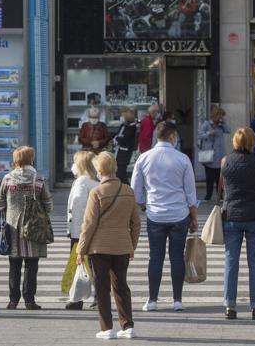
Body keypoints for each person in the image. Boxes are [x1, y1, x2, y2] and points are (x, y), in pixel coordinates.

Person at [131, 121, 199, 312]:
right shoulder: (183, 159)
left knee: (155, 257)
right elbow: (190, 194)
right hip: (179, 215)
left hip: (155, 215)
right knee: (177, 257)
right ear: (172, 136)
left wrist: (145, 205)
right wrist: (193, 217)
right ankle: (177, 300)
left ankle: (152, 300)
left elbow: (136, 192)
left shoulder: (143, 158)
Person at [77, 152, 141, 340]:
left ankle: (106, 328)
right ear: (115, 168)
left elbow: (88, 225)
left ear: (98, 170)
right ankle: (128, 326)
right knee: (121, 286)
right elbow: (135, 223)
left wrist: (81, 250)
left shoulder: (96, 192)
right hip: (122, 246)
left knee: (102, 287)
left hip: (99, 248)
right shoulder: (128, 191)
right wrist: (132, 245)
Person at [220, 127, 255, 320]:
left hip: (232, 215)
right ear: (252, 142)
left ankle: (229, 307)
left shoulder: (225, 161)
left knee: (231, 261)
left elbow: (223, 188)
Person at [0, 146, 53, 311]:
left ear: (16, 160)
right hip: (33, 228)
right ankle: (29, 300)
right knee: (31, 265)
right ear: (31, 159)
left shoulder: (7, 179)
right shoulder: (39, 179)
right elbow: (48, 205)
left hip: (13, 227)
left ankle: (13, 301)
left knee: (14, 265)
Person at [65, 150, 99, 310]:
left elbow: (77, 206)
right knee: (94, 265)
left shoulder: (81, 182)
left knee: (79, 264)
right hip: (95, 229)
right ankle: (99, 296)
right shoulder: (96, 181)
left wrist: (77, 234)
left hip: (81, 230)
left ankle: (76, 299)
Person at [198, 106, 231, 201]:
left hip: (220, 155)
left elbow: (228, 130)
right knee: (209, 178)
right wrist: (208, 133)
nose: (222, 118)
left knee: (219, 177)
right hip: (209, 156)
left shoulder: (221, 125)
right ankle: (208, 195)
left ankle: (220, 195)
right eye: (221, 116)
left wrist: (223, 122)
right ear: (216, 115)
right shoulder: (206, 124)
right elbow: (199, 134)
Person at [113, 107, 137, 184]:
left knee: (121, 174)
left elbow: (124, 139)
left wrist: (117, 139)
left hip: (124, 153)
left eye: (123, 114)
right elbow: (117, 135)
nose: (122, 116)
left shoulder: (132, 126)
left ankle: (128, 190)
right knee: (118, 173)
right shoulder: (123, 125)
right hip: (118, 151)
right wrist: (117, 138)